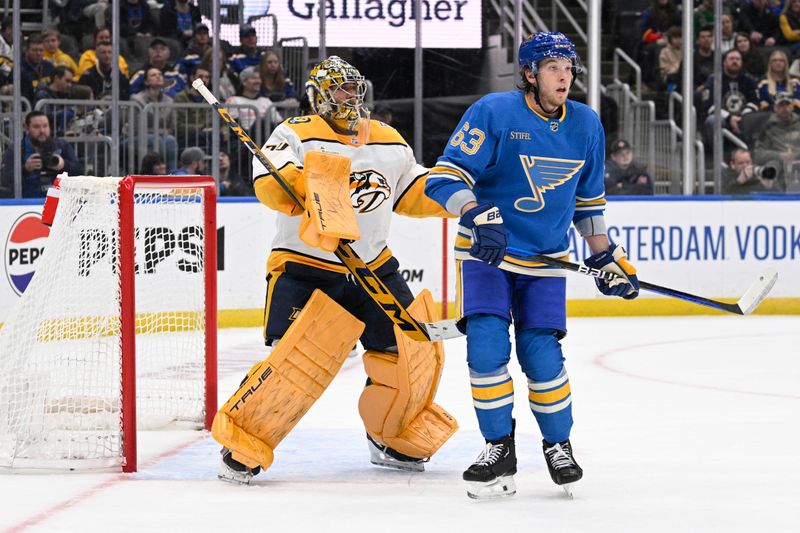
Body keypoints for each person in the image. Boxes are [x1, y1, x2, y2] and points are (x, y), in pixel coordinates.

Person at [216, 55, 456, 485]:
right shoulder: (296, 133)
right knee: (295, 364)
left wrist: (457, 197)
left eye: (353, 88)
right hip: (307, 267)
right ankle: (244, 440)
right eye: (341, 89)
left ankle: (389, 435)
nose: (350, 96)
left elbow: (413, 189)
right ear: (320, 96)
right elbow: (269, 179)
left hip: (373, 267)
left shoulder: (387, 138)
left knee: (406, 356)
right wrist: (304, 191)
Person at [424, 32, 640, 500]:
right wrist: (475, 212)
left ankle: (558, 444)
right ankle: (498, 448)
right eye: (553, 67)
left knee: (542, 355)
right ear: (529, 74)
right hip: (488, 253)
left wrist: (606, 256)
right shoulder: (494, 112)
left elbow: (588, 202)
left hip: (545, 261)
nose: (564, 76)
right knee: (485, 346)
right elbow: (444, 177)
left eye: (568, 67)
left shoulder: (586, 124)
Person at [1, 111, 83, 198]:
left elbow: (80, 172)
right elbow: (5, 180)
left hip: (59, 200)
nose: (42, 131)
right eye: (36, 127)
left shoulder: (62, 145)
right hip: (27, 202)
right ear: (27, 128)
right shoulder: (16, 150)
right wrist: (25, 169)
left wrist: (63, 165)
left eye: (45, 126)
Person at [696, 49, 758, 141]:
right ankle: (717, 153)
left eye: (737, 59)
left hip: (744, 118)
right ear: (724, 62)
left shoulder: (749, 79)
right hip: (723, 119)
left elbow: (755, 102)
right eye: (731, 59)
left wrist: (743, 117)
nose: (735, 61)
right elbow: (709, 106)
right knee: (713, 120)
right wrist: (729, 117)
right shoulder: (714, 80)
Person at [132, 66, 178, 170]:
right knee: (156, 140)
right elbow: (136, 128)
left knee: (171, 140)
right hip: (136, 137)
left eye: (160, 75)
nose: (158, 77)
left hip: (161, 137)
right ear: (146, 82)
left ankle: (172, 175)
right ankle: (152, 175)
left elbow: (171, 126)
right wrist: (161, 132)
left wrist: (165, 132)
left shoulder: (169, 101)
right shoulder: (137, 100)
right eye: (153, 75)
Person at [753, 91, 800, 182]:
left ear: (792, 107)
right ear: (775, 108)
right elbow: (758, 154)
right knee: (772, 167)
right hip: (778, 164)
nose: (785, 108)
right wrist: (779, 155)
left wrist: (795, 155)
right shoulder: (768, 127)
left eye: (787, 105)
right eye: (781, 106)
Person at [225, 66, 282, 132]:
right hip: (246, 138)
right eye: (254, 78)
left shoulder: (266, 101)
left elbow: (279, 122)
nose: (258, 81)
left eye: (259, 78)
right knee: (262, 121)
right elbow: (234, 127)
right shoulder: (233, 100)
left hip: (267, 138)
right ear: (244, 82)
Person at [18, 34, 55, 103]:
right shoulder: (18, 70)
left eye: (41, 50)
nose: (38, 53)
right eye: (34, 50)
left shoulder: (49, 67)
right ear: (26, 51)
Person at [658, 26, 682, 90]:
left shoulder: (687, 50)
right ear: (670, 39)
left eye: (680, 37)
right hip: (670, 79)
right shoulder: (664, 52)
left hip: (683, 77)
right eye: (675, 38)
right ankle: (670, 97)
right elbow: (664, 70)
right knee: (672, 84)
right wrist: (678, 67)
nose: (678, 40)